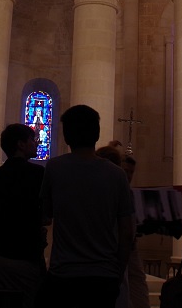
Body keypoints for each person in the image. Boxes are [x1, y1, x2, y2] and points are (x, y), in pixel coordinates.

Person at [37, 105, 136, 308]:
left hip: (64, 272)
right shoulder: (117, 175)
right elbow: (127, 231)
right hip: (103, 274)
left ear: (65, 136)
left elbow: (45, 215)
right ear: (97, 133)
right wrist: (118, 273)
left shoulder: (55, 168)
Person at [0, 124, 47, 308]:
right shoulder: (38, 174)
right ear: (20, 144)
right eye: (32, 139)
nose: (36, 143)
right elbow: (45, 214)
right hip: (24, 258)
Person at [122, 156, 150, 308]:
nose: (128, 175)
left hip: (131, 249)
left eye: (131, 172)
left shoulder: (132, 194)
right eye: (125, 170)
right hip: (114, 251)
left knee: (138, 289)